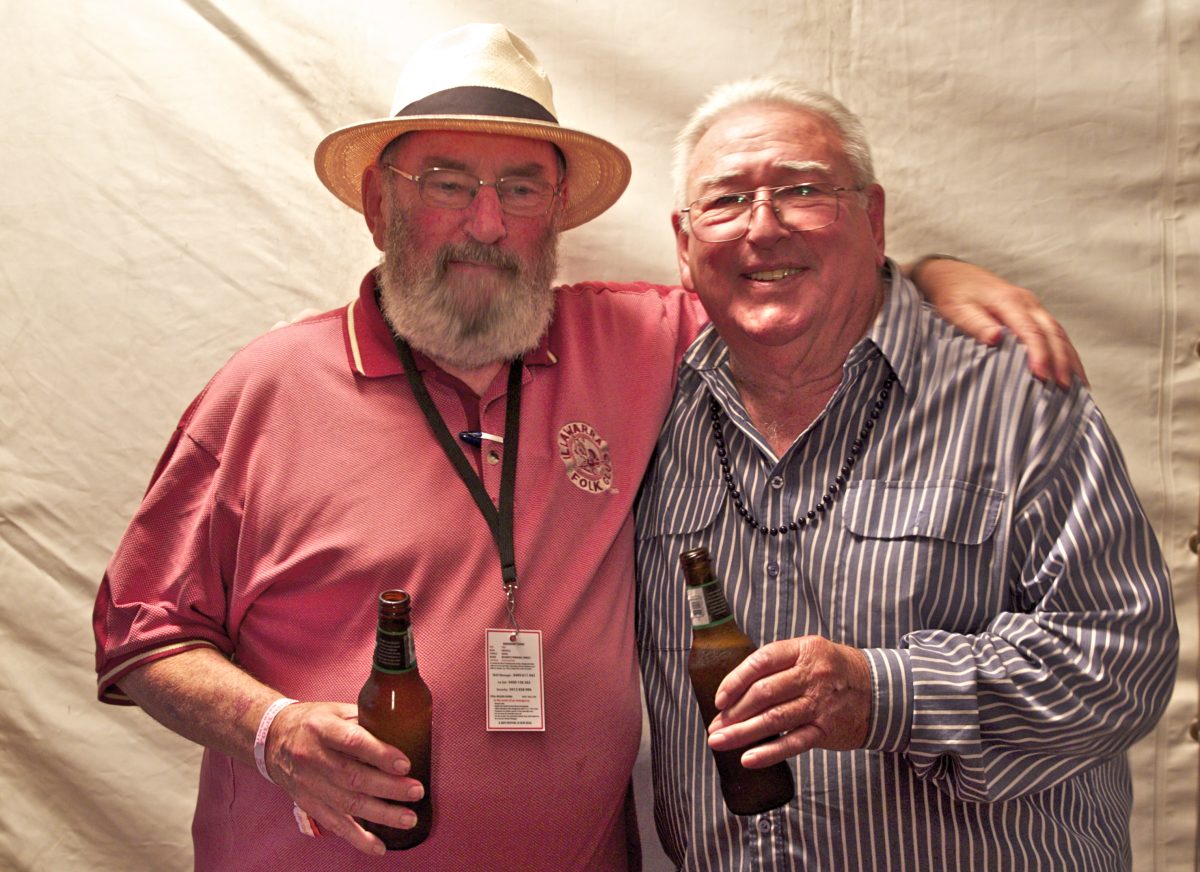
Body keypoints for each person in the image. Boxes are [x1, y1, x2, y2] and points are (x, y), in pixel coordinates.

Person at [93, 24, 1082, 872]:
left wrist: (924, 270)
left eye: (520, 189)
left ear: (556, 214)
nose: (486, 223)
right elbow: (141, 632)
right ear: (380, 205)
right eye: (447, 182)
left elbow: (783, 285)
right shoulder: (265, 390)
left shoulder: (636, 340)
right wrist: (271, 732)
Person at [634, 77, 1178, 871]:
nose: (763, 226)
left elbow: (1123, 657)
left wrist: (889, 695)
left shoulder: (1013, 395)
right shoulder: (646, 404)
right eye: (725, 203)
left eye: (802, 191)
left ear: (873, 217)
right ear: (685, 245)